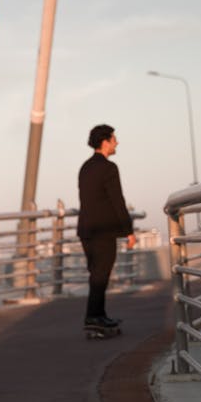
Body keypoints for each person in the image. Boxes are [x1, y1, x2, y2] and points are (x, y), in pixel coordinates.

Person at [77, 124, 136, 332]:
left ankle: (99, 315)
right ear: (105, 142)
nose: (116, 142)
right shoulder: (109, 168)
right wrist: (129, 231)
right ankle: (93, 317)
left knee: (96, 274)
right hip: (103, 231)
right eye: (114, 139)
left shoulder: (85, 167)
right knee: (101, 275)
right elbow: (117, 201)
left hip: (85, 230)